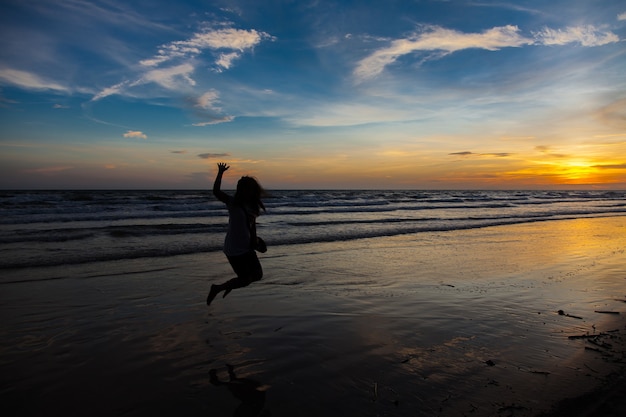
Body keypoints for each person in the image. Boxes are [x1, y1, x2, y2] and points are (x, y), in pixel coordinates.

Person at [207, 163, 266, 305]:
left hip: (247, 246)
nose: (249, 192)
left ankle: (227, 286)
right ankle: (218, 288)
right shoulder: (233, 203)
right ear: (241, 190)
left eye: (251, 189)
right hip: (233, 248)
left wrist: (255, 240)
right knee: (245, 279)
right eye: (246, 189)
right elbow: (216, 191)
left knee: (257, 275)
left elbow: (252, 226)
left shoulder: (253, 207)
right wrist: (220, 172)